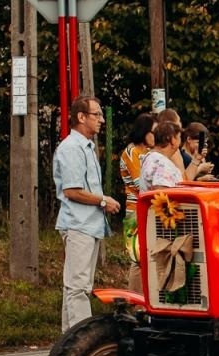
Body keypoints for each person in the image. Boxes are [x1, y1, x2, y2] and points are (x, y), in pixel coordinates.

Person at [53, 95, 119, 330]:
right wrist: (103, 200)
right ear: (81, 117)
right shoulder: (72, 148)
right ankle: (82, 339)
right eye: (96, 114)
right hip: (78, 224)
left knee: (76, 285)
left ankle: (69, 338)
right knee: (78, 287)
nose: (101, 119)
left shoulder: (87, 147)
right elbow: (72, 190)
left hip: (88, 224)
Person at [118, 113, 155, 204]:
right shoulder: (131, 151)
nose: (156, 136)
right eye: (154, 132)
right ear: (144, 131)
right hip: (135, 205)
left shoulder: (148, 151)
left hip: (149, 203)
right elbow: (140, 185)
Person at [138, 121, 185, 192]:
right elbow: (162, 193)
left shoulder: (151, 157)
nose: (180, 141)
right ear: (173, 140)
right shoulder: (162, 163)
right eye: (179, 137)